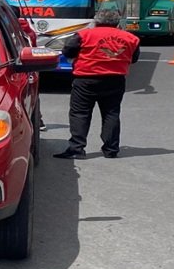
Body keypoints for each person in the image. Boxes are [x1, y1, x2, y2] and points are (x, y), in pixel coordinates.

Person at [54, 8, 141, 159]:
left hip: (85, 79)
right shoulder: (131, 38)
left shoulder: (83, 35)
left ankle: (77, 149)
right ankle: (111, 149)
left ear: (96, 21)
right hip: (115, 80)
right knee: (111, 113)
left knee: (80, 113)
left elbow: (68, 52)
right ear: (117, 22)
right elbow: (134, 59)